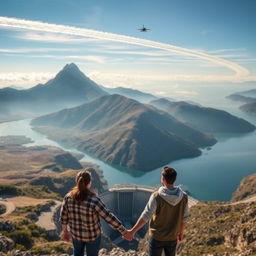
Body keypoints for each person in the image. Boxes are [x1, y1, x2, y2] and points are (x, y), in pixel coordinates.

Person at [123, 166, 188, 256]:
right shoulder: (184, 197)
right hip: (172, 237)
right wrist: (180, 233)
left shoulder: (157, 196)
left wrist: (132, 231)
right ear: (175, 179)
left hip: (157, 237)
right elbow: (184, 218)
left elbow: (146, 215)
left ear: (162, 179)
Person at [60, 169, 127, 256]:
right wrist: (123, 230)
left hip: (76, 235)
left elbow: (63, 217)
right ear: (89, 183)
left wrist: (65, 231)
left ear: (77, 181)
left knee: (77, 253)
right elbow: (108, 217)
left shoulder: (68, 197)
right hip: (92, 236)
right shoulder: (94, 200)